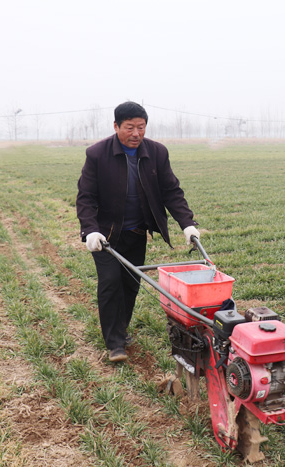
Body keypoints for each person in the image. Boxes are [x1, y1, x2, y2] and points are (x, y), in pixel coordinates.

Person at [76, 101, 200, 362]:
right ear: (116, 126)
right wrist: (90, 231)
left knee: (130, 284)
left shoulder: (156, 152)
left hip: (135, 232)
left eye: (141, 127)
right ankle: (115, 344)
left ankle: (121, 329)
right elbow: (86, 197)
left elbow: (171, 191)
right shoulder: (97, 154)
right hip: (106, 236)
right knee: (110, 284)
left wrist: (187, 223)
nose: (136, 134)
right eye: (129, 128)